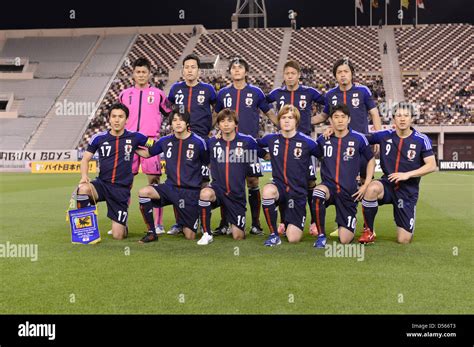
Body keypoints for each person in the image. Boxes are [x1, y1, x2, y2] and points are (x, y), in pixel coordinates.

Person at [312, 58, 382, 238]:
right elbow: (325, 116)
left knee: (363, 186)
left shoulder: (362, 91)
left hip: (361, 144)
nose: (343, 75)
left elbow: (374, 113)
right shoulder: (330, 94)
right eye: (339, 72)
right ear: (335, 75)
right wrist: (302, 121)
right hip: (339, 145)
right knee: (340, 182)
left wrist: (377, 137)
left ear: (351, 74)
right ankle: (343, 222)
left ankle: (369, 227)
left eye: (346, 72)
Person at [214, 57, 278, 236]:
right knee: (226, 183)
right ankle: (225, 222)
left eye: (240, 67)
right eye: (233, 68)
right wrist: (209, 132)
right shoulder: (223, 93)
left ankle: (256, 223)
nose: (236, 70)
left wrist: (284, 127)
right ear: (230, 72)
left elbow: (269, 113)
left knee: (252, 182)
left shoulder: (256, 92)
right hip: (227, 146)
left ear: (246, 72)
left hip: (249, 146)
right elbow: (215, 116)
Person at [358, 102, 437, 244]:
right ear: (393, 118)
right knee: (372, 188)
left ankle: (403, 217)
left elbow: (431, 165)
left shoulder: (421, 139)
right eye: (398, 115)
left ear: (412, 118)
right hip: (387, 184)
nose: (402, 119)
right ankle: (368, 230)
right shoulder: (385, 135)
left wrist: (407, 174)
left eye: (406, 115)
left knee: (404, 240)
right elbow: (359, 137)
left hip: (407, 191)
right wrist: (336, 130)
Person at [77, 103, 154, 240]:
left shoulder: (136, 137)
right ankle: (85, 231)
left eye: (120, 116)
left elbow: (152, 147)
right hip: (102, 184)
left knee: (118, 236)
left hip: (120, 189)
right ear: (109, 119)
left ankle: (123, 226)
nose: (117, 120)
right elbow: (85, 159)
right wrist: (84, 176)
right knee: (83, 189)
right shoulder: (98, 138)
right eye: (114, 116)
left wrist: (165, 144)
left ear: (127, 119)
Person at [267, 60, 326, 236]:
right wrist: (276, 120)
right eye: (287, 74)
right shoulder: (277, 93)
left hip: (304, 145)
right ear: (284, 76)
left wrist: (310, 121)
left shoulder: (308, 92)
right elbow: (262, 104)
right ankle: (283, 221)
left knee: (309, 181)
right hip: (284, 142)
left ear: (299, 75)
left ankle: (314, 222)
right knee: (284, 182)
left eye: (293, 73)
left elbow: (329, 104)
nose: (290, 76)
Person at [135, 109, 208, 243]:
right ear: (171, 124)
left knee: (190, 236)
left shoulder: (198, 142)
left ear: (187, 123)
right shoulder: (165, 141)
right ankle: (152, 232)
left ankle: (193, 217)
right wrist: (132, 146)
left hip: (190, 191)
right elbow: (147, 154)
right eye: (174, 120)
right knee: (144, 192)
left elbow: (207, 163)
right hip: (170, 188)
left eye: (181, 119)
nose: (178, 123)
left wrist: (203, 188)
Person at [197, 108, 267, 245]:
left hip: (236, 195)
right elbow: (203, 160)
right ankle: (206, 233)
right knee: (205, 194)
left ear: (236, 124)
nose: (226, 124)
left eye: (229, 121)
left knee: (238, 236)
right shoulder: (212, 143)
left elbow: (265, 155)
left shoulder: (247, 142)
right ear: (218, 125)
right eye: (222, 121)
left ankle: (235, 223)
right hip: (218, 190)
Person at [119, 57, 172, 235]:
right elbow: (118, 117)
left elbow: (171, 115)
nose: (141, 75)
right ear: (133, 74)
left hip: (150, 142)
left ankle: (158, 224)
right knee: (124, 184)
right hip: (129, 142)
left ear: (149, 74)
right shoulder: (124, 95)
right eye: (138, 72)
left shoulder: (158, 94)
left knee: (154, 182)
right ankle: (121, 222)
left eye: (144, 72)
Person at [311, 104, 375, 247]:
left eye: (343, 117)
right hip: (329, 188)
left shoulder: (359, 138)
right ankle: (321, 235)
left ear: (349, 119)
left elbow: (371, 160)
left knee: (344, 240)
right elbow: (311, 153)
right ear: (331, 120)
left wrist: (366, 185)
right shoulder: (323, 139)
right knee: (318, 193)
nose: (339, 120)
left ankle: (347, 222)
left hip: (349, 193)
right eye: (336, 117)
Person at [167, 54, 217, 235]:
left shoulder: (208, 89)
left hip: (200, 140)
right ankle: (180, 223)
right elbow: (168, 109)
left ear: (198, 70)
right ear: (183, 70)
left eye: (193, 67)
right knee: (178, 182)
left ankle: (201, 220)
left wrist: (210, 127)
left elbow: (219, 111)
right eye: (186, 67)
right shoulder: (175, 89)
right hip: (179, 139)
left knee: (202, 181)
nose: (189, 70)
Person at [257, 105, 321, 246]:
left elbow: (324, 156)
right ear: (279, 120)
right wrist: (266, 155)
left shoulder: (307, 142)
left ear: (296, 121)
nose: (286, 121)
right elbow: (251, 144)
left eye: (290, 118)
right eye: (283, 118)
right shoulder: (271, 139)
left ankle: (289, 223)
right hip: (279, 189)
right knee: (267, 191)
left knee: (293, 239)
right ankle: (273, 234)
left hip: (297, 193)